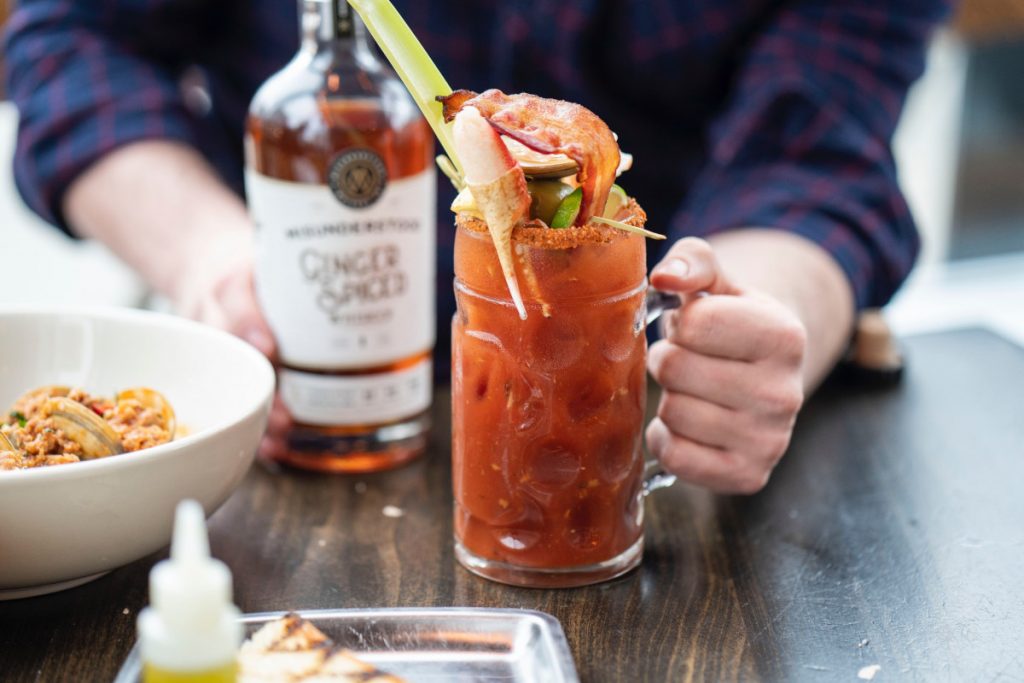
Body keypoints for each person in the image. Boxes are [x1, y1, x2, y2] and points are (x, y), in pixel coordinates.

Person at [3, 0, 950, 493]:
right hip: (282, 410)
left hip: (639, 414)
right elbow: (70, 44)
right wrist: (212, 261)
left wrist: (755, 312)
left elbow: (820, 155)